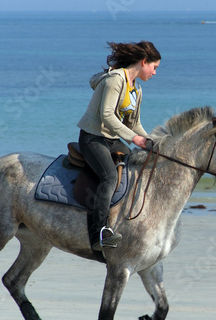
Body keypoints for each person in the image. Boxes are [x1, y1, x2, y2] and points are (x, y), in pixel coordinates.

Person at [77, 41, 161, 251]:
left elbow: (134, 124)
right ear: (144, 62)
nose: (155, 73)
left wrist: (151, 141)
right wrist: (134, 139)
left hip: (112, 140)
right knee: (109, 177)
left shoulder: (137, 89)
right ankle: (99, 234)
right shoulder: (115, 81)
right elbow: (107, 116)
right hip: (93, 138)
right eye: (154, 67)